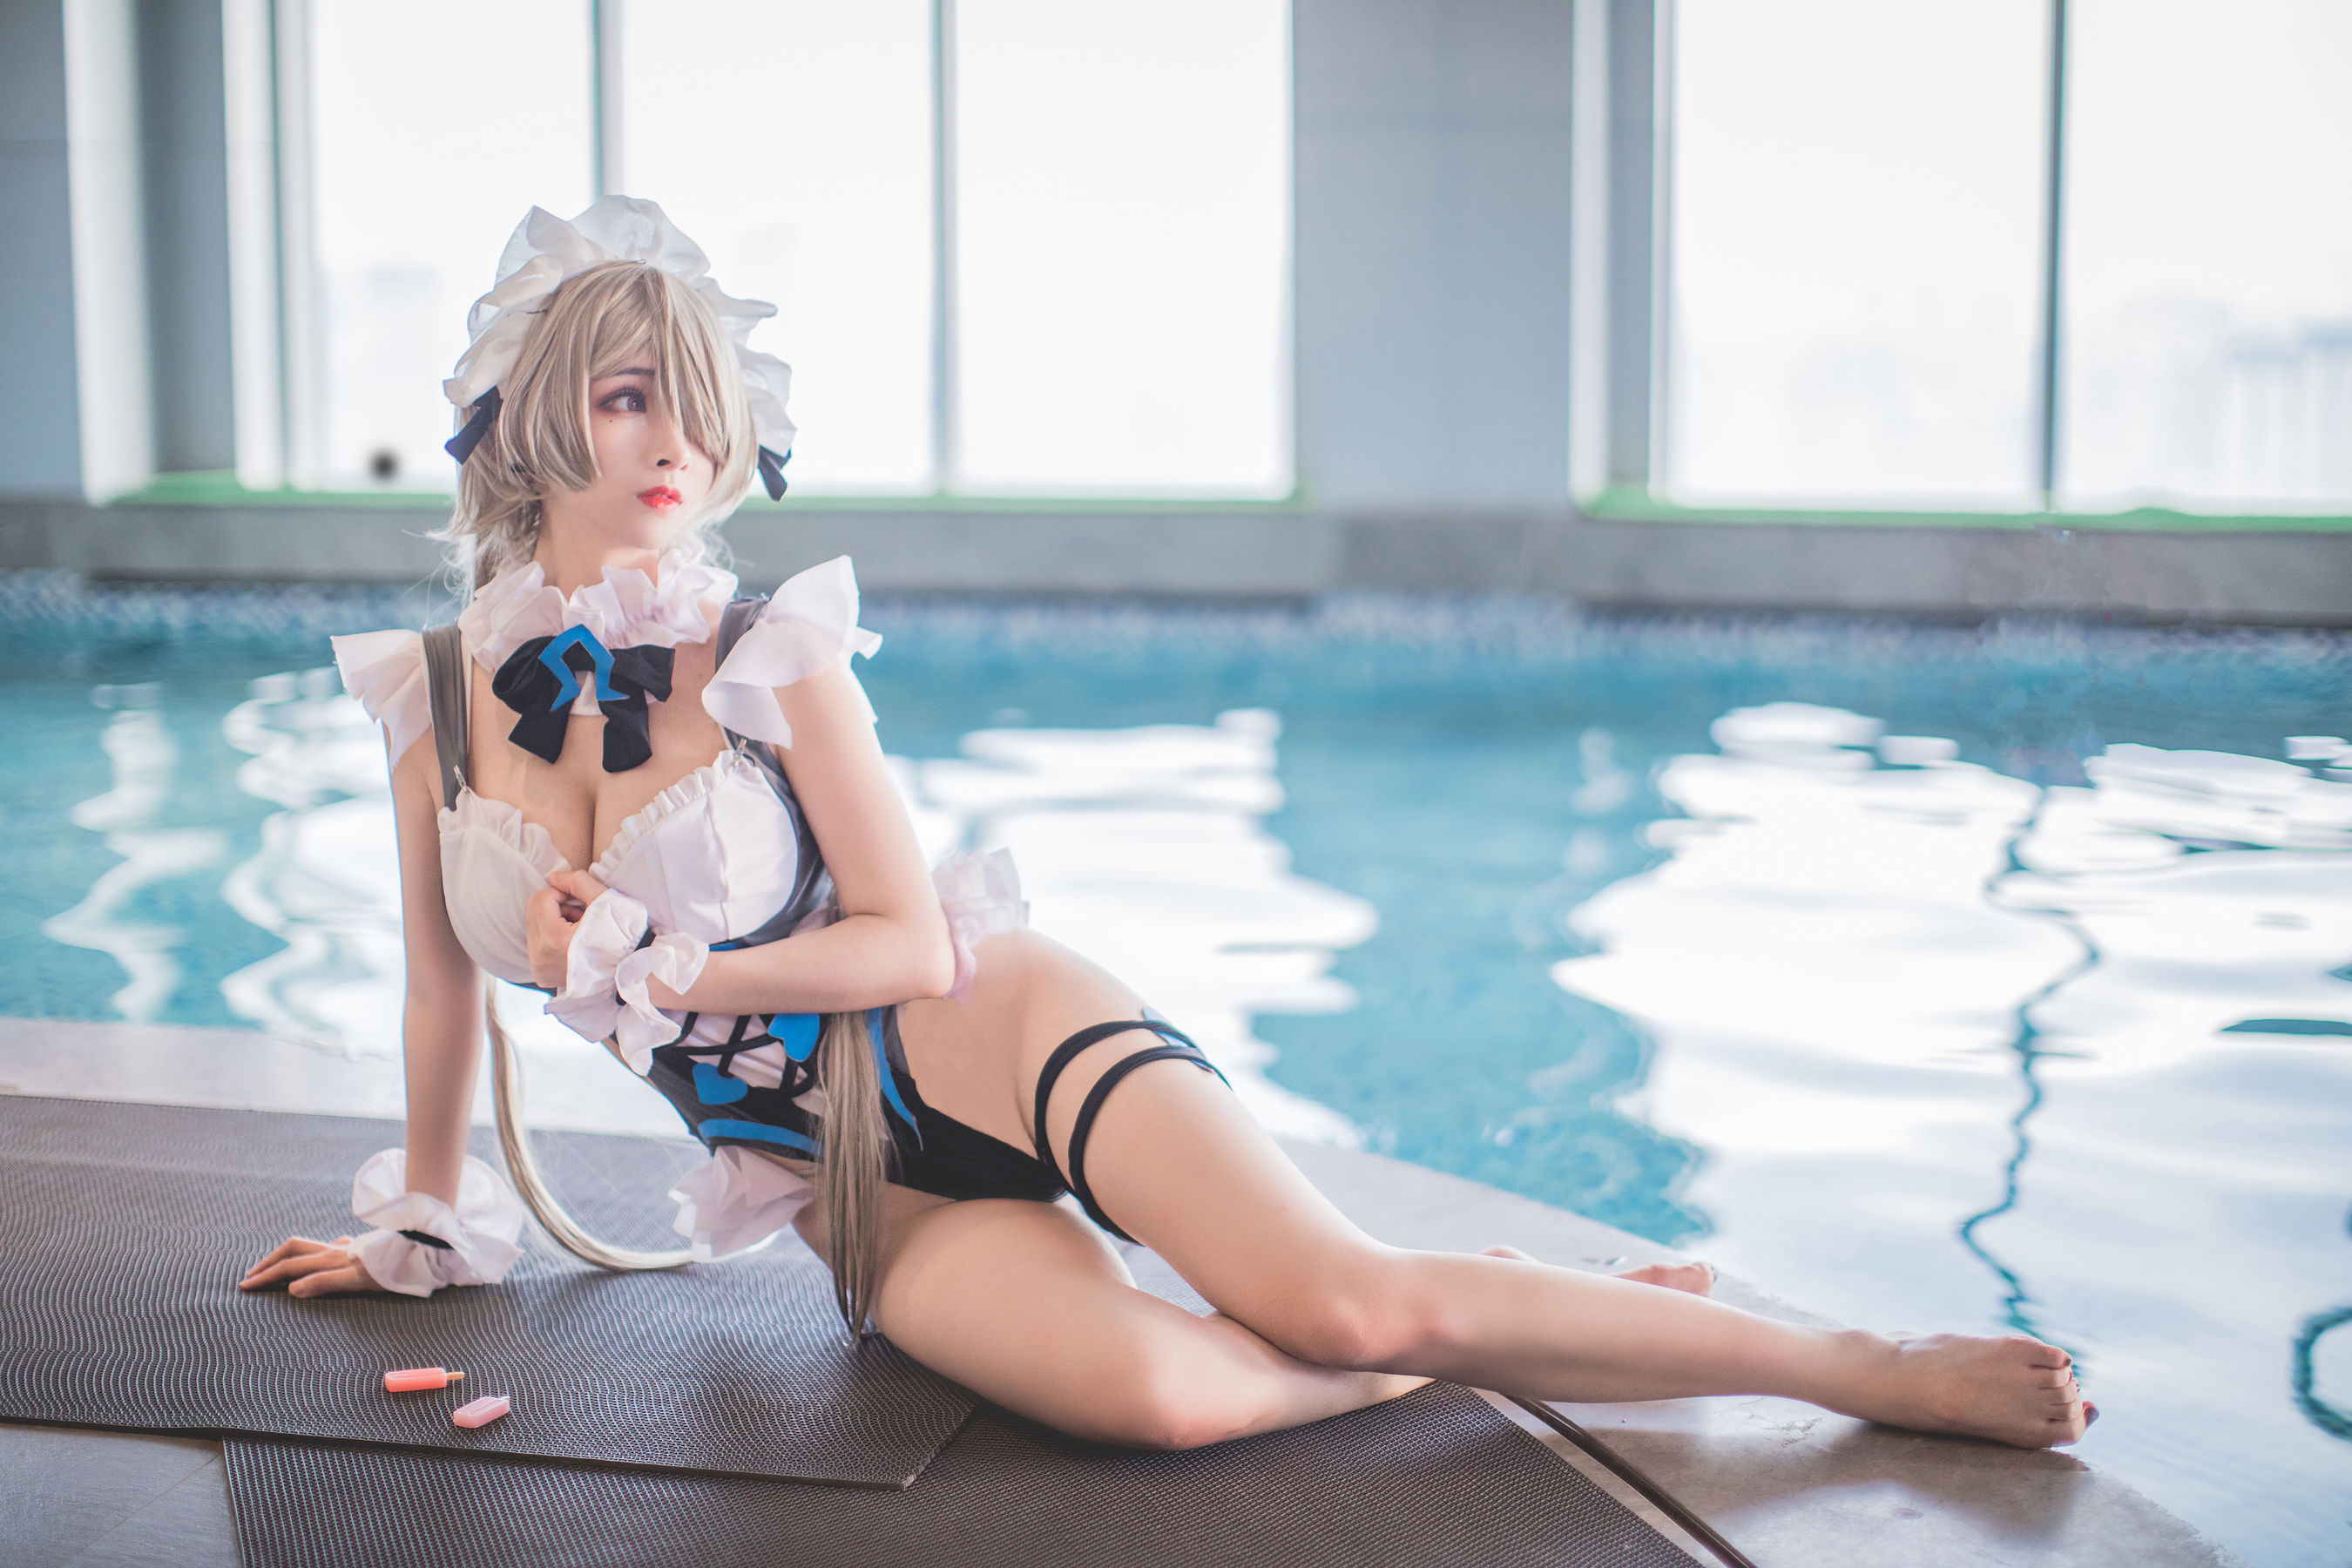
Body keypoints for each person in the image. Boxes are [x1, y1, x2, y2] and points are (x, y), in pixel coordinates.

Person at [241, 198, 2094, 1453]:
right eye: (631, 398)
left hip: (989, 1034)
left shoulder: (768, 651)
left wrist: (666, 964)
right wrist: (423, 1224)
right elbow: (440, 989)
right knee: (1160, 1403)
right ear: (531, 420)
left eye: (699, 411)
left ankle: (1860, 1369)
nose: (674, 447)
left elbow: (907, 940)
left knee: (1342, 1302)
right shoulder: (432, 691)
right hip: (844, 1186)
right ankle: (1489, 1321)